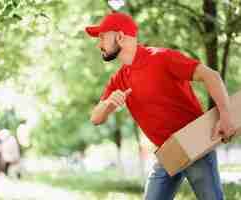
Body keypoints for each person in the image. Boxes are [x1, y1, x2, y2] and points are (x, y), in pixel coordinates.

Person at [85, 12, 237, 200]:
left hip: (194, 142)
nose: (99, 44)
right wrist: (108, 104)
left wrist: (226, 116)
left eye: (101, 37)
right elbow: (95, 118)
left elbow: (211, 75)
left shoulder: (161, 58)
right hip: (167, 153)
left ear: (119, 37)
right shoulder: (119, 79)